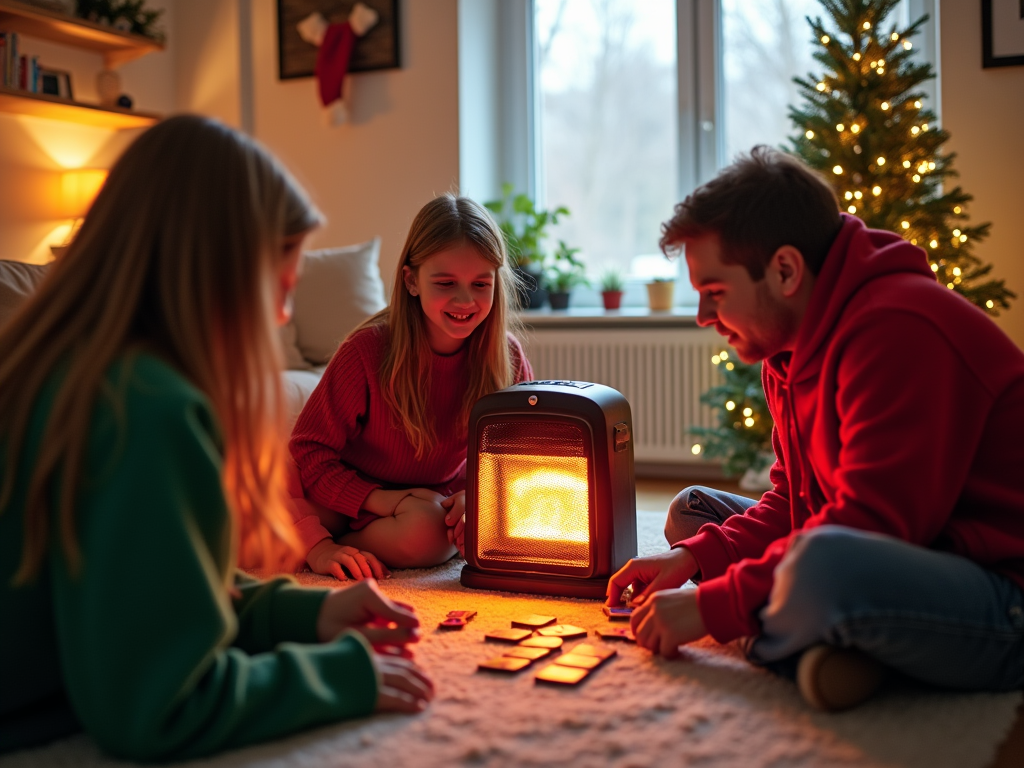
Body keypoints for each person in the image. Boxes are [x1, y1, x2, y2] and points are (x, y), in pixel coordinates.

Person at [0, 115, 434, 761]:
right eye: (282, 289)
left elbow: (147, 583)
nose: (281, 316)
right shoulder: (149, 408)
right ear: (224, 273)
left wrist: (303, 614)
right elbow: (163, 704)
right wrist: (342, 675)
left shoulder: (56, 367)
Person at [608, 146, 1024, 712]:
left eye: (715, 292)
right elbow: (794, 504)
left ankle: (819, 639)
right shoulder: (787, 349)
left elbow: (874, 528)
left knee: (824, 567)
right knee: (692, 515)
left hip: (998, 592)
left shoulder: (897, 327)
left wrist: (712, 608)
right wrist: (692, 562)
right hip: (893, 552)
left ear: (784, 270)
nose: (704, 317)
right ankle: (825, 644)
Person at [289, 194, 534, 579]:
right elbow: (309, 451)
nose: (465, 299)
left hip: (431, 504)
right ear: (411, 280)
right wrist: (380, 502)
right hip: (344, 495)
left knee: (467, 523)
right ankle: (323, 546)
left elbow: (517, 458)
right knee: (272, 514)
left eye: (480, 284)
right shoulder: (366, 351)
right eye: (446, 282)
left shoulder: (508, 358)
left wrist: (477, 498)